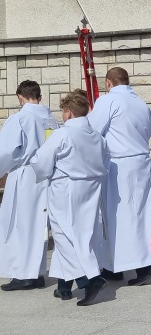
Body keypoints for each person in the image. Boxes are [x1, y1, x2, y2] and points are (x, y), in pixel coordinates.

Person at [31, 90, 109, 306]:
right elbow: (106, 159)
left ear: (68, 113)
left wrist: (40, 168)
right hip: (91, 188)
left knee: (64, 236)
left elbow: (42, 160)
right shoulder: (98, 136)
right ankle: (65, 286)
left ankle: (90, 279)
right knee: (82, 236)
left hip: (66, 189)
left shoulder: (63, 134)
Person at [87, 67, 151, 286]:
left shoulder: (108, 101)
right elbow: (146, 133)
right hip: (141, 162)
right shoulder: (141, 104)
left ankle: (143, 267)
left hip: (121, 164)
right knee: (141, 215)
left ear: (109, 83)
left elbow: (91, 131)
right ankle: (114, 265)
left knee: (120, 217)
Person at [0, 81, 59, 292]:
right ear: (39, 97)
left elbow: (7, 152)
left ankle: (24, 274)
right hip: (46, 175)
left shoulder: (20, 118)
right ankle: (37, 273)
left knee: (20, 224)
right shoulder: (51, 120)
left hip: (24, 175)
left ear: (20, 98)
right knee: (38, 227)